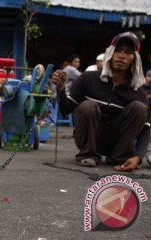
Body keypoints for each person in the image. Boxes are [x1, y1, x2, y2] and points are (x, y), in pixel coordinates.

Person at [52, 32, 149, 172]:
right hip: (88, 140)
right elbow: (66, 109)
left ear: (134, 59)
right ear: (109, 53)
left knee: (140, 108)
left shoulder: (138, 92)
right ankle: (88, 154)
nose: (121, 56)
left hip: (117, 143)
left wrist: (138, 157)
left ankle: (119, 157)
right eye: (118, 50)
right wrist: (61, 90)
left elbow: (145, 129)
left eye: (128, 52)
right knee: (88, 105)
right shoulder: (87, 78)